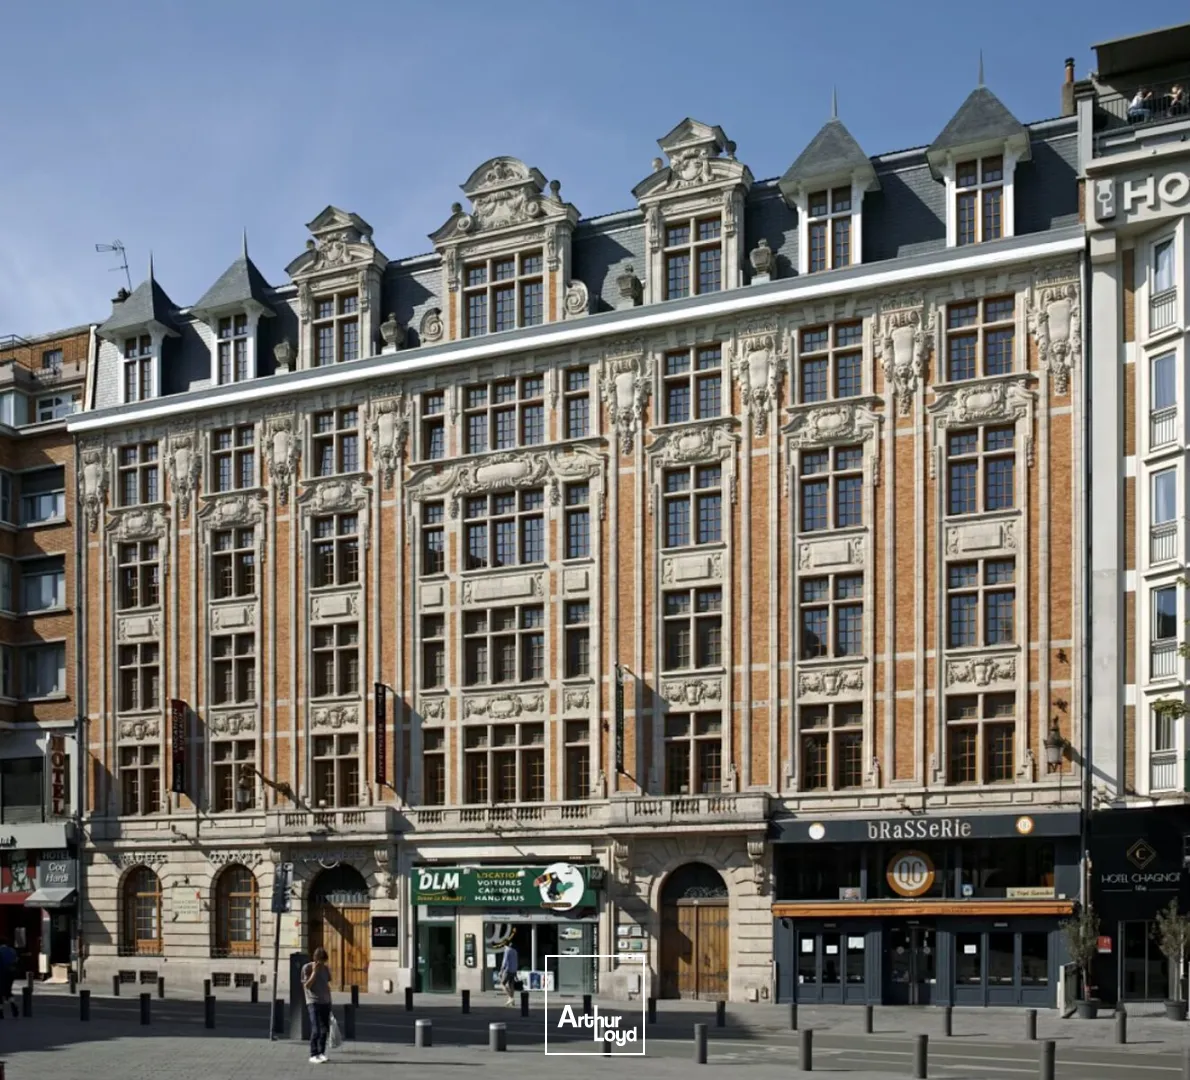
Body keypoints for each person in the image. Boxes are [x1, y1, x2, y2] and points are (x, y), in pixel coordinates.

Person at [302, 947, 333, 1064]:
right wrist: (314, 972)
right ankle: (313, 1054)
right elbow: (307, 986)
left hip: (325, 1001)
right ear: (315, 959)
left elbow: (327, 985)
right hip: (313, 1001)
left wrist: (330, 1001)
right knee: (316, 1029)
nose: (322, 963)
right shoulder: (307, 968)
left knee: (325, 1029)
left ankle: (321, 1053)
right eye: (321, 961)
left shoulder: (325, 969)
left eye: (324, 961)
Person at [497, 934, 519, 1006]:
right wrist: (515, 972)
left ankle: (510, 997)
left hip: (508, 970)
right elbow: (516, 962)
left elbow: (504, 961)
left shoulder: (507, 950)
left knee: (502, 984)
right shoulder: (514, 951)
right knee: (511, 985)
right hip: (513, 970)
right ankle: (512, 1001)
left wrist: (501, 971)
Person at [0, 938, 17, 1018]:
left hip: (1, 973)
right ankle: (13, 1004)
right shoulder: (12, 950)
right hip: (11, 973)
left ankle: (0, 1011)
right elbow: (16, 960)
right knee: (8, 990)